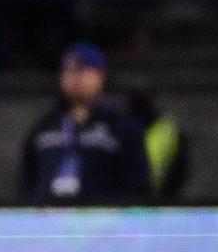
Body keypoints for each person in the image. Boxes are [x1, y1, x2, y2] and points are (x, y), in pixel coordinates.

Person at [20, 43, 151, 205]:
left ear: (100, 76)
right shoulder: (45, 126)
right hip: (51, 223)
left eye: (82, 70)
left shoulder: (121, 127)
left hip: (102, 224)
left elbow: (137, 184)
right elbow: (27, 180)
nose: (74, 77)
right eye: (68, 71)